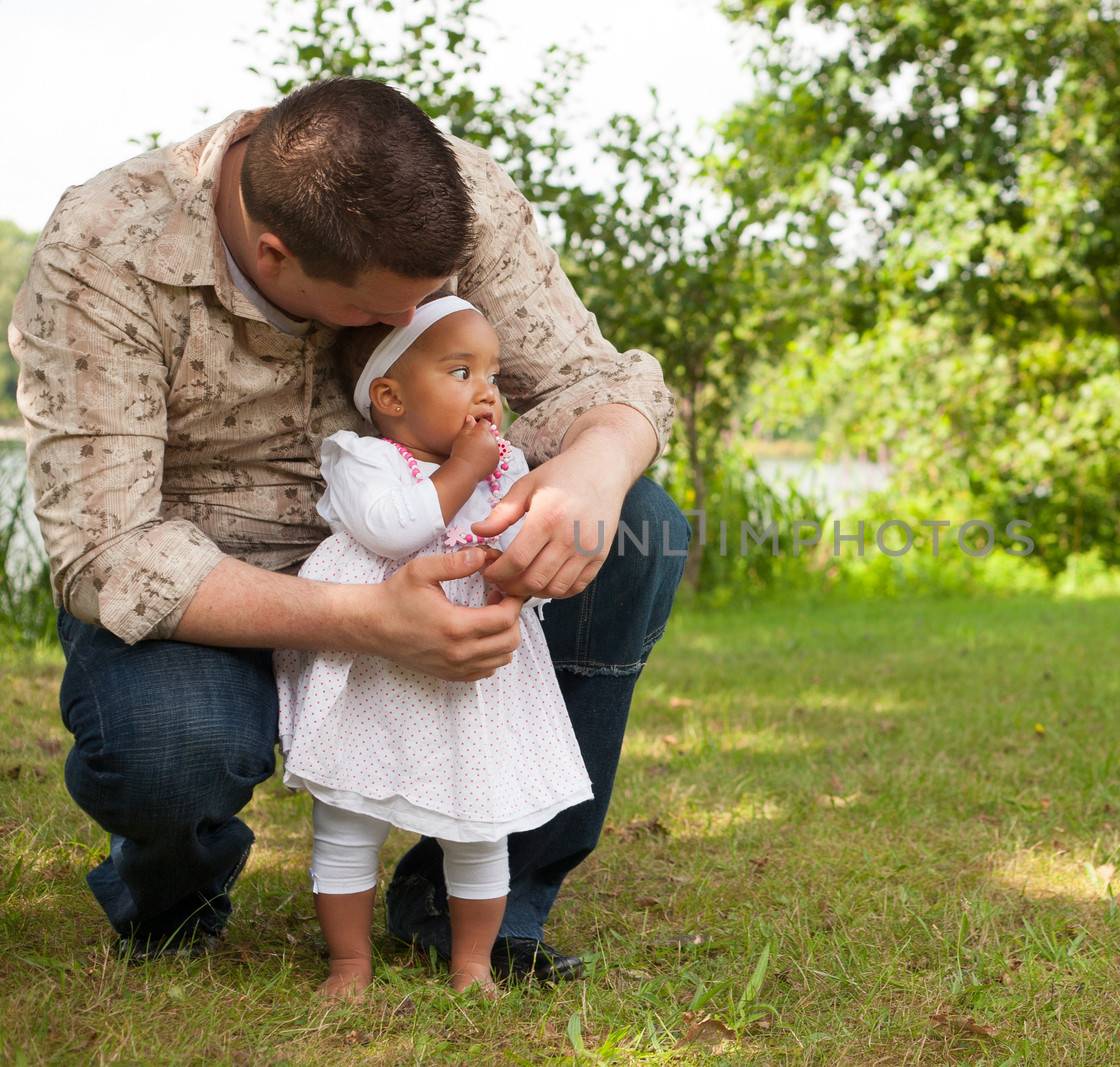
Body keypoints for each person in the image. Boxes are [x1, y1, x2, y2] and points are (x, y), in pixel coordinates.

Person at [11, 78, 689, 979]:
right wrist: (367, 618)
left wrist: (596, 471)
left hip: (436, 549)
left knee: (640, 527)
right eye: (380, 316)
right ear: (275, 253)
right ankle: (174, 896)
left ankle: (475, 905)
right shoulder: (103, 249)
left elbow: (597, 383)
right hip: (215, 581)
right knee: (173, 745)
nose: (409, 327)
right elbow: (109, 554)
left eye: (427, 302)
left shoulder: (454, 201)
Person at [278, 291, 593, 997]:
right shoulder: (363, 459)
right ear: (389, 395)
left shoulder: (498, 469)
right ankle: (349, 960)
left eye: (492, 372)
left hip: (470, 680)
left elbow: (516, 542)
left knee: (479, 825)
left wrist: (522, 547)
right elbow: (397, 529)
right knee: (349, 818)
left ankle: (472, 961)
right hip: (375, 671)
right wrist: (464, 470)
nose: (486, 391)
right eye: (460, 372)